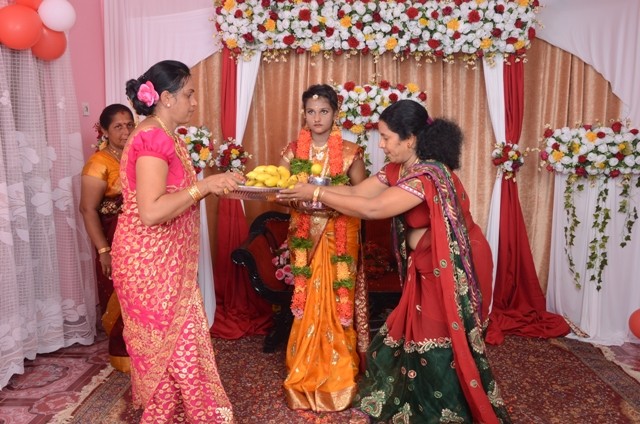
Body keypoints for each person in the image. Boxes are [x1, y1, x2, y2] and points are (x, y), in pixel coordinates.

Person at [277, 99, 511, 423]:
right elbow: (358, 194)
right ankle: (421, 401)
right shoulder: (398, 169)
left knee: (440, 337)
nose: (382, 145)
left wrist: (315, 194)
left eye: (386, 138)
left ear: (410, 139)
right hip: (426, 264)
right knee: (415, 333)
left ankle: (447, 412)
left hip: (452, 264)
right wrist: (308, 190)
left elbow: (373, 209)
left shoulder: (428, 175)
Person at [111, 60, 242, 423]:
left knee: (177, 353)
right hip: (148, 265)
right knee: (178, 354)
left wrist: (212, 186)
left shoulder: (166, 135)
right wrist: (205, 185)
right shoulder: (152, 137)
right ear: (166, 98)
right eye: (189, 94)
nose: (195, 102)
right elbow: (151, 211)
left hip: (166, 264)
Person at [278, 84, 367, 412]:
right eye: (311, 111)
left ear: (335, 113)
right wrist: (298, 198)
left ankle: (338, 369)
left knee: (336, 297)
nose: (317, 118)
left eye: (324, 111)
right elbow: (278, 191)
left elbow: (363, 196)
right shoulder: (292, 151)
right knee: (309, 298)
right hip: (305, 233)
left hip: (339, 233)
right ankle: (305, 364)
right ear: (304, 114)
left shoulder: (351, 152)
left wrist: (327, 199)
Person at [79, 103, 134, 373]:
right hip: (113, 240)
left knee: (140, 296)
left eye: (129, 125)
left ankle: (145, 351)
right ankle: (121, 354)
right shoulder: (98, 163)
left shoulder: (138, 156)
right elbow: (87, 210)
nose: (126, 132)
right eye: (118, 127)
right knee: (118, 295)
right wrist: (104, 251)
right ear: (104, 130)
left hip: (139, 239)